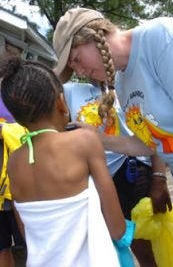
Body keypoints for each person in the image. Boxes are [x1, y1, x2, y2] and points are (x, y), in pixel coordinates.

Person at [52, 7, 173, 229]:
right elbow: (151, 144)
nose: (80, 72)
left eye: (77, 59)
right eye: (74, 68)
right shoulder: (121, 82)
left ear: (94, 35)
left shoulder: (162, 39)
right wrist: (98, 138)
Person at [0, 54, 137, 267]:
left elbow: (27, 234)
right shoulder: (83, 140)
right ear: (61, 102)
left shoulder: (14, 162)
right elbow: (117, 228)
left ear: (17, 118)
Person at [64, 80, 172, 267]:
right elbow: (43, 80)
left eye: (77, 58)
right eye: (72, 62)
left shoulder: (128, 79)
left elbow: (154, 134)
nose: (79, 68)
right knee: (120, 248)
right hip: (103, 183)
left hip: (139, 175)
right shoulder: (70, 90)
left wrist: (159, 178)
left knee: (151, 250)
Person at [0, 98, 27, 267]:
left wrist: (5, 129)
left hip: (22, 185)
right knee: (2, 247)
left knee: (27, 244)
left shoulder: (19, 87)